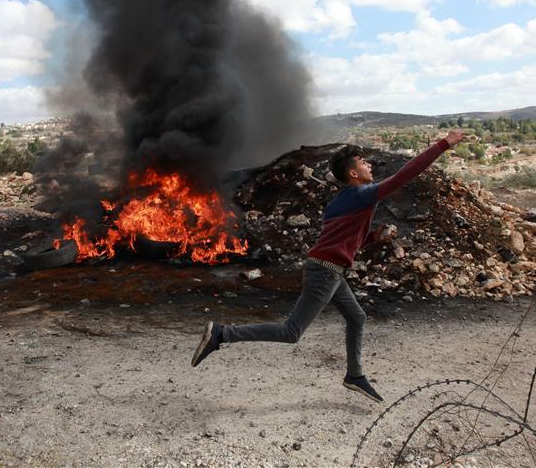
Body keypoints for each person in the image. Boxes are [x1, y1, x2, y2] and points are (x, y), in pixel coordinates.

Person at [191, 129, 466, 402]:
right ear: (353, 174)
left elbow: (344, 242)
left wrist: (372, 237)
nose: (369, 164)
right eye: (363, 162)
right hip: (325, 272)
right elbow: (405, 174)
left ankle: (354, 376)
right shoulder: (362, 195)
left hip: (329, 269)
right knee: (291, 332)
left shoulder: (341, 201)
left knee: (357, 317)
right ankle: (221, 334)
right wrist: (444, 144)